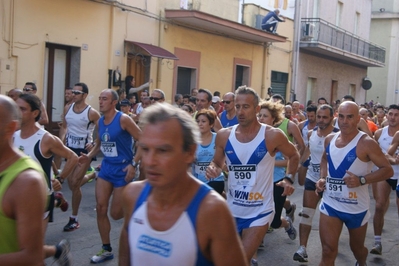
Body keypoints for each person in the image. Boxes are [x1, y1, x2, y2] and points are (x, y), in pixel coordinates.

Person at [118, 103, 247, 266]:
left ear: (190, 152)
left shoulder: (212, 211)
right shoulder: (132, 195)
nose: (149, 161)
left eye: (163, 150)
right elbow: (125, 258)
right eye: (145, 149)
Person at [206, 86, 299, 263]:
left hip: (260, 210)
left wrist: (288, 178)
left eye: (246, 107)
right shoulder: (224, 136)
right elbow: (217, 163)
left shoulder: (272, 135)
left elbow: (294, 154)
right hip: (233, 208)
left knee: (239, 259)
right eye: (238, 106)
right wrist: (213, 169)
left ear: (256, 109)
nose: (240, 111)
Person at [315, 101, 393, 266]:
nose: (344, 121)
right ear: (337, 118)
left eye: (350, 117)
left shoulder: (366, 143)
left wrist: (361, 180)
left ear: (358, 119)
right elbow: (324, 159)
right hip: (331, 204)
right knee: (328, 250)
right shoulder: (329, 139)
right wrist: (322, 178)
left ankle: (361, 262)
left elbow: (387, 170)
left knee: (357, 249)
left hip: (356, 207)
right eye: (341, 117)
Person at [14, 93, 77, 264]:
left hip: (39, 198)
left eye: (22, 109)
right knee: (19, 248)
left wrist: (60, 178)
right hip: (14, 198)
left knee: (31, 251)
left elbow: (72, 157)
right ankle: (58, 250)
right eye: (16, 107)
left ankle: (59, 249)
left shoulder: (46, 138)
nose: (17, 112)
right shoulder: (13, 135)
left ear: (35, 113)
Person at [80, 89, 141, 263]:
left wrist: (134, 163)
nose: (100, 101)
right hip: (107, 168)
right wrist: (89, 155)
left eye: (104, 99)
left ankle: (135, 211)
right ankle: (106, 249)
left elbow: (142, 139)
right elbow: (100, 143)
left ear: (114, 102)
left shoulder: (123, 119)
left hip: (123, 169)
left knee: (115, 214)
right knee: (100, 208)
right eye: (99, 98)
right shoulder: (100, 121)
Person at [0, 95, 48, 265]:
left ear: (10, 128)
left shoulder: (27, 181)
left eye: (24, 108)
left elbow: (31, 257)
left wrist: (60, 178)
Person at [293, 104, 338, 263]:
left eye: (325, 117)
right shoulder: (311, 133)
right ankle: (302, 248)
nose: (320, 120)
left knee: (333, 220)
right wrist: (299, 165)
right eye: (319, 116)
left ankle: (331, 247)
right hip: (312, 178)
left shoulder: (338, 136)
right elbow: (307, 150)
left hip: (332, 182)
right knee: (306, 213)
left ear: (332, 118)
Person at [59, 82, 101, 232]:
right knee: (71, 184)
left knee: (75, 184)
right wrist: (61, 140)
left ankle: (74, 219)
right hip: (70, 150)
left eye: (77, 93)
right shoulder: (67, 108)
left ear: (84, 95)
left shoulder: (92, 112)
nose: (73, 94)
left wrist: (95, 142)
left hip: (84, 152)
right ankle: (94, 174)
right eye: (73, 92)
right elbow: (64, 126)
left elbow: (103, 129)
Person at [369, 104, 399, 255]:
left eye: (396, 115)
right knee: (379, 205)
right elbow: (381, 154)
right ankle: (377, 242)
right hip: (384, 173)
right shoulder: (380, 133)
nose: (393, 117)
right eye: (391, 114)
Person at [193, 109, 225, 194]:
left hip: (215, 180)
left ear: (211, 124)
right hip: (197, 181)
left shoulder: (218, 138)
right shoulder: (192, 140)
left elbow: (226, 159)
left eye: (203, 121)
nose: (200, 124)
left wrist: (222, 166)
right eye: (198, 121)